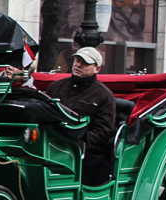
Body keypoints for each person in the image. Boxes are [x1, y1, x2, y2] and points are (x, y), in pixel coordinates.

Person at [47, 46, 117, 186]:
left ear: (97, 69)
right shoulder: (55, 87)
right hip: (52, 143)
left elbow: (104, 131)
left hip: (86, 150)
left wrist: (77, 142)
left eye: (84, 63)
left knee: (95, 165)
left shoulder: (105, 96)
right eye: (77, 60)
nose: (78, 65)